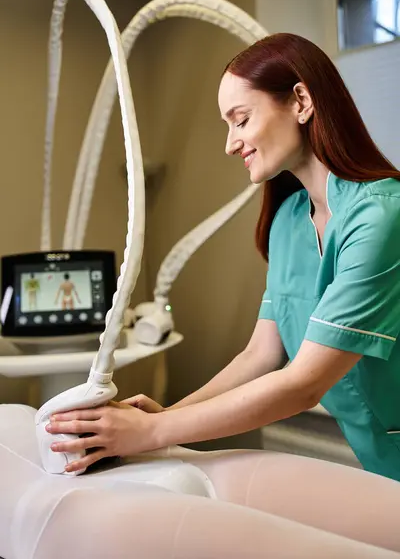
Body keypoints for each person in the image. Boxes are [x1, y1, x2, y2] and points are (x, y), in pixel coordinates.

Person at [46, 33, 400, 487]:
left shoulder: (381, 216)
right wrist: (169, 415)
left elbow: (304, 383)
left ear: (301, 101)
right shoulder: (290, 219)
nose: (231, 144)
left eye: (241, 119)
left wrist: (149, 433)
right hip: (376, 456)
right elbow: (261, 354)